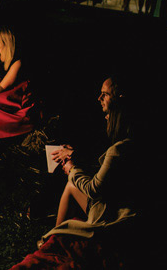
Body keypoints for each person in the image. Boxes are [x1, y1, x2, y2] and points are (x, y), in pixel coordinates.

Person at [43, 75, 137, 249]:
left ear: (119, 102)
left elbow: (94, 189)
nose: (99, 99)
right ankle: (56, 237)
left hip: (115, 215)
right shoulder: (128, 139)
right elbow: (103, 164)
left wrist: (72, 169)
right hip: (118, 201)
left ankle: (54, 241)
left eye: (105, 94)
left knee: (73, 182)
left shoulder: (120, 149)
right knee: (72, 184)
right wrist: (74, 154)